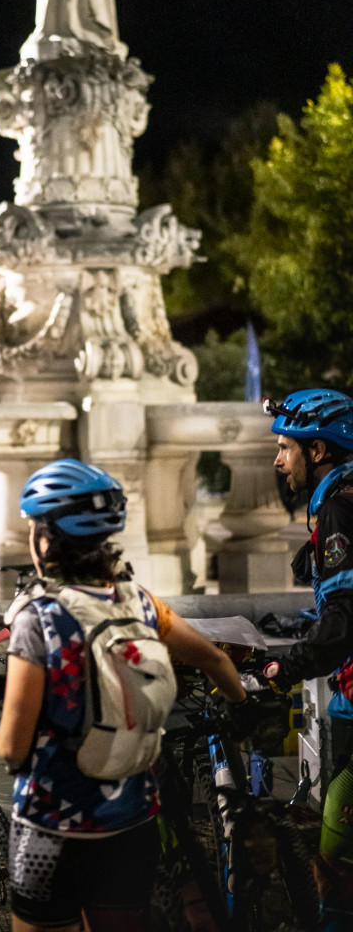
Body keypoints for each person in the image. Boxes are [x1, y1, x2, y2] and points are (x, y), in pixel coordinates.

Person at [0, 458, 255, 932]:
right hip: (133, 822)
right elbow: (215, 660)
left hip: (53, 830)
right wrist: (240, 705)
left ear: (46, 539)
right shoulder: (139, 602)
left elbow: (12, 748)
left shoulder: (40, 620)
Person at [262, 390, 353, 931]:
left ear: (316, 450)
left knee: (337, 864)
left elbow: (344, 621)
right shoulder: (341, 496)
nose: (278, 460)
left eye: (285, 447)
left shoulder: (339, 506)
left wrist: (285, 667)